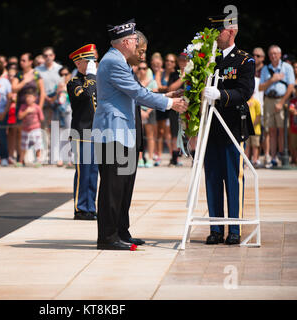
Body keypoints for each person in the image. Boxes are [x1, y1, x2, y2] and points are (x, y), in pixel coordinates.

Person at [93, 19, 188, 250]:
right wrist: (170, 103)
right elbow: (137, 92)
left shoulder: (119, 61)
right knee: (112, 187)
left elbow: (138, 91)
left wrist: (167, 94)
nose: (137, 45)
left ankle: (121, 231)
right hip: (113, 133)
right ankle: (107, 236)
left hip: (122, 133)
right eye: (135, 41)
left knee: (124, 185)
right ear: (125, 42)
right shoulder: (113, 62)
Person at [202, 13, 256, 245]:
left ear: (231, 32)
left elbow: (245, 92)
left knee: (234, 179)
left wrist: (221, 95)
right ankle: (216, 228)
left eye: (218, 31)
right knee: (212, 178)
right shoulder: (206, 59)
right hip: (211, 127)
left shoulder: (244, 60)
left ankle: (234, 228)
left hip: (232, 126)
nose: (214, 36)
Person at [67, 44, 99, 220]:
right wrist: (92, 76)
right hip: (82, 132)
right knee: (83, 171)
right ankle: (80, 208)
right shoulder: (74, 82)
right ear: (79, 64)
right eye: (89, 61)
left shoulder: (95, 80)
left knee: (94, 172)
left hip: (97, 132)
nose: (92, 64)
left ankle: (90, 207)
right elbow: (86, 95)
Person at [259, 45, 295, 168]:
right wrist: (272, 80)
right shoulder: (265, 69)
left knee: (282, 130)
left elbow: (291, 87)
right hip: (269, 100)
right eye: (271, 54)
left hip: (282, 99)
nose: (273, 56)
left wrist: (282, 102)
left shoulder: (287, 67)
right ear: (268, 56)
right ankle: (273, 158)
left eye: (275, 53)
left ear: (280, 55)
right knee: (271, 131)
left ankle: (282, 155)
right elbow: (260, 87)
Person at [11, 53, 45, 165]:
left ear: (30, 62)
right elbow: (14, 89)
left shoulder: (36, 74)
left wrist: (38, 108)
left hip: (34, 109)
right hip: (22, 107)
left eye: (24, 60)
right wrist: (24, 81)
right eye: (21, 60)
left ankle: (37, 159)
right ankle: (21, 159)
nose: (21, 62)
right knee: (21, 134)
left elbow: (42, 92)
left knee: (36, 136)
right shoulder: (19, 75)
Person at [35, 47, 62, 131]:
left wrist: (54, 98)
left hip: (57, 103)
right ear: (43, 57)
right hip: (43, 102)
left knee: (57, 129)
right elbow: (36, 87)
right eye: (46, 56)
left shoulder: (60, 68)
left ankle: (56, 145)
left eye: (50, 55)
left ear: (54, 56)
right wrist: (45, 97)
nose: (48, 57)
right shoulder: (37, 70)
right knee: (44, 129)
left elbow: (62, 85)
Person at [17, 88, 44, 167]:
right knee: (23, 146)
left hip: (36, 129)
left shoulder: (37, 107)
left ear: (35, 98)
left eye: (30, 97)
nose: (28, 99)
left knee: (38, 145)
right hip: (25, 129)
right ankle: (21, 160)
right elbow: (19, 116)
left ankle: (38, 160)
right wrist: (26, 111)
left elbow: (41, 118)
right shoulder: (23, 107)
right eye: (27, 97)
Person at [245, 90, 262, 168]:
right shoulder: (245, 102)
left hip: (255, 129)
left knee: (255, 146)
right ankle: (246, 161)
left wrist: (252, 125)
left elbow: (258, 115)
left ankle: (255, 161)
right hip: (246, 129)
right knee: (247, 146)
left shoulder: (256, 102)